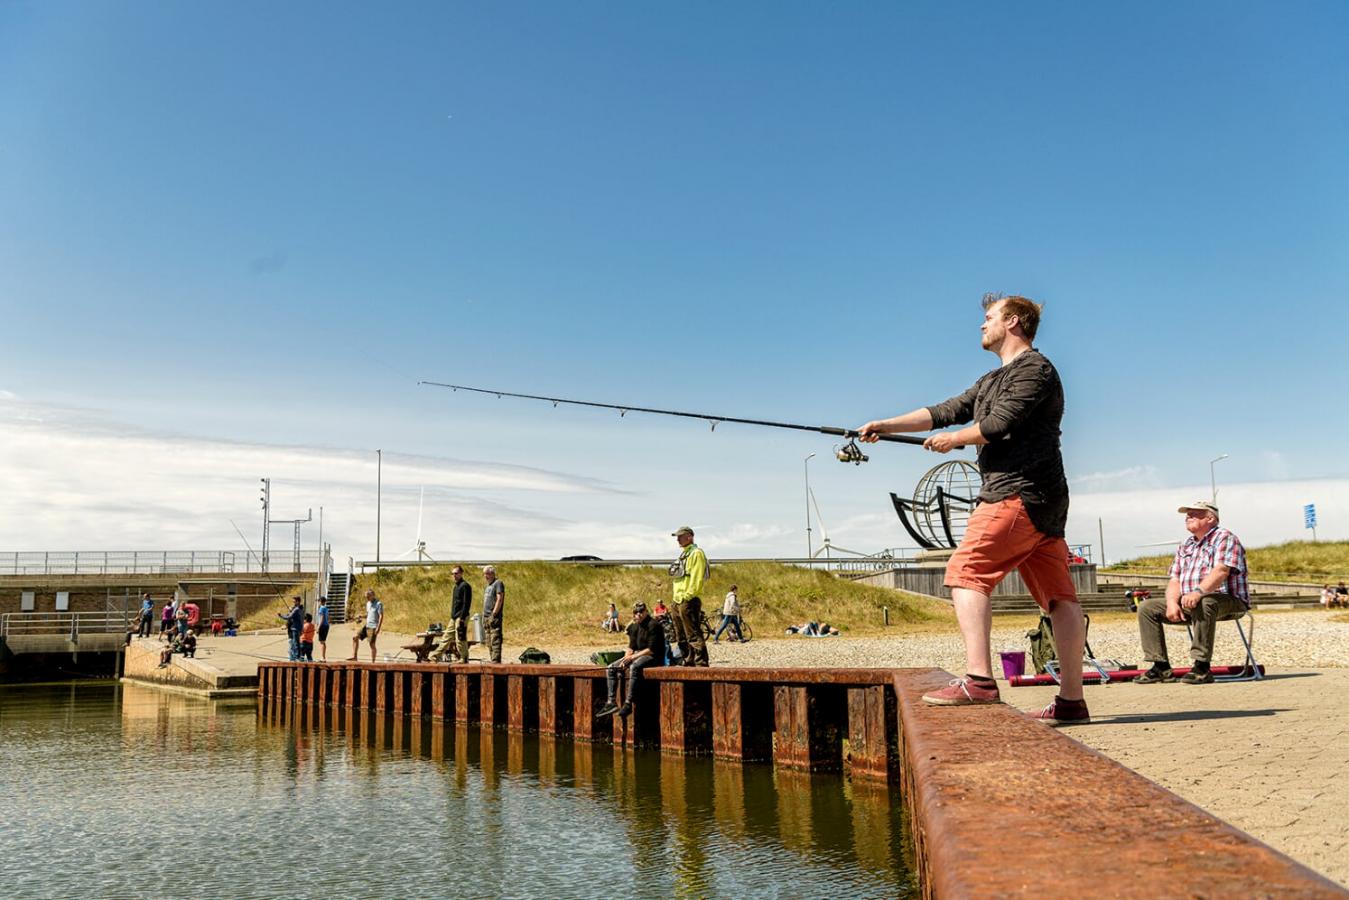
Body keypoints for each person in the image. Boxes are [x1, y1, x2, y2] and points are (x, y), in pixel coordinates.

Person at [858, 293, 1088, 723]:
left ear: (1014, 322)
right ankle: (1072, 702)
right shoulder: (990, 380)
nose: (982, 326)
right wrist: (885, 424)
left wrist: (954, 440)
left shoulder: (1036, 370)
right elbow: (945, 411)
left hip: (1017, 493)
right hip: (1042, 501)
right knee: (1058, 597)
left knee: (965, 572)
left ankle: (979, 682)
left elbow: (999, 425)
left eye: (989, 318)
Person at [1134, 501, 1249, 685]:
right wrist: (1172, 602)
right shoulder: (1186, 545)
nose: (1187, 517)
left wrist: (1198, 592)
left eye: (1194, 514)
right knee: (1147, 607)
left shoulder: (1224, 537)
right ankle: (1161, 667)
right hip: (1190, 602)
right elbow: (1175, 579)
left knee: (1205, 602)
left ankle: (1202, 667)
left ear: (1210, 518)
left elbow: (1221, 571)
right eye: (1187, 515)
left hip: (1227, 600)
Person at [598, 601, 665, 719]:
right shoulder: (634, 626)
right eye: (635, 612)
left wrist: (632, 658)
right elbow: (631, 647)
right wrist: (626, 658)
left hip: (654, 656)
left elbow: (651, 649)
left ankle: (628, 703)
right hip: (638, 655)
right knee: (611, 667)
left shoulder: (653, 625)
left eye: (641, 611)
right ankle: (611, 702)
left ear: (646, 612)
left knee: (634, 667)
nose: (638, 614)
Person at [668, 525, 710, 667]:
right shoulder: (684, 554)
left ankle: (700, 663)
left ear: (690, 537)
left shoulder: (696, 553)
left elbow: (697, 577)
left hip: (688, 599)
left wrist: (688, 596)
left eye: (681, 536)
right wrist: (676, 600)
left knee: (693, 633)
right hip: (677, 599)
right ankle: (688, 659)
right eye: (677, 537)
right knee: (680, 635)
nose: (678, 539)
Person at [348, 589, 383, 662]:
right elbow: (369, 614)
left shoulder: (378, 604)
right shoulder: (368, 603)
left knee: (371, 644)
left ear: (373, 595)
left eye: (368, 596)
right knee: (355, 638)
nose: (367, 598)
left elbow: (381, 616)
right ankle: (354, 657)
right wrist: (362, 616)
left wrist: (378, 628)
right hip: (367, 625)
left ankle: (373, 662)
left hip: (373, 627)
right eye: (366, 597)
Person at [482, 566, 505, 663]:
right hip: (486, 616)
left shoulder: (498, 583)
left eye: (487, 573)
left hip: (493, 617)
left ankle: (496, 661)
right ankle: (492, 659)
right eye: (484, 574)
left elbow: (499, 599)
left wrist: (494, 614)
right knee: (488, 641)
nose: (485, 576)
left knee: (495, 640)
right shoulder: (488, 586)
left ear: (492, 573)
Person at [450, 565, 472, 663]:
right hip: (454, 616)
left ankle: (464, 657)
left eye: (456, 573)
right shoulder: (456, 587)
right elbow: (455, 603)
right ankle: (435, 656)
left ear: (461, 574)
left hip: (461, 616)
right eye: (453, 574)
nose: (454, 575)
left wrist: (462, 617)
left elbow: (466, 603)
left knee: (460, 637)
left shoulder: (465, 586)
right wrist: (452, 615)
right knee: (448, 637)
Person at [278, 596, 304, 662]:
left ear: (298, 601)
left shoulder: (296, 609)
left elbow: (289, 617)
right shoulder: (301, 609)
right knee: (297, 642)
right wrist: (291, 610)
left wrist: (281, 615)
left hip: (295, 628)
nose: (293, 603)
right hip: (300, 627)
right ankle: (299, 656)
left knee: (295, 643)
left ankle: (296, 657)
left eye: (294, 601)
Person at [316, 596, 330, 661]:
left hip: (323, 626)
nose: (318, 603)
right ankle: (323, 656)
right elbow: (328, 618)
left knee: (322, 642)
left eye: (319, 601)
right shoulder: (326, 608)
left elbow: (322, 618)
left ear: (321, 602)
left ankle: (323, 657)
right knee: (323, 641)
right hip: (327, 625)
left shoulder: (321, 608)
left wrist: (318, 627)